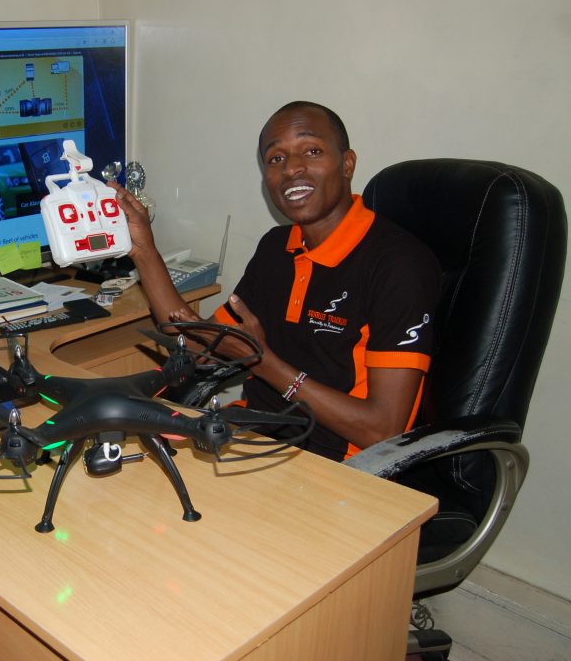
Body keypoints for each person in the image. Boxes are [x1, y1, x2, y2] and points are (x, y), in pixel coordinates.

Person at [111, 101, 441, 461]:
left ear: (347, 164)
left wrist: (263, 362)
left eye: (311, 151)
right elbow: (196, 347)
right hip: (251, 442)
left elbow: (383, 430)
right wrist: (144, 250)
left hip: (340, 469)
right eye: (275, 159)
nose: (292, 169)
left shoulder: (398, 265)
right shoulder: (276, 248)